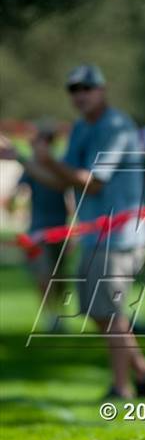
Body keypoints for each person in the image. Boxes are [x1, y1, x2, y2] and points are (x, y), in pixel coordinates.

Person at [1, 65, 145, 399]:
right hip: (94, 237)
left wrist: (47, 160)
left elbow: (92, 182)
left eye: (86, 88)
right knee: (97, 312)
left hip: (120, 238)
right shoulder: (80, 128)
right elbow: (62, 179)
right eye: (74, 89)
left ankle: (122, 388)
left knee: (111, 312)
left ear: (102, 90)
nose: (80, 95)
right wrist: (20, 157)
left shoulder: (117, 126)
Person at [9, 125, 70, 332]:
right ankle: (49, 315)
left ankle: (60, 313)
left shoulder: (58, 165)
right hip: (38, 230)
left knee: (60, 275)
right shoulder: (31, 169)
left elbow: (67, 192)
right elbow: (15, 195)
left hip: (60, 229)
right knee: (43, 274)